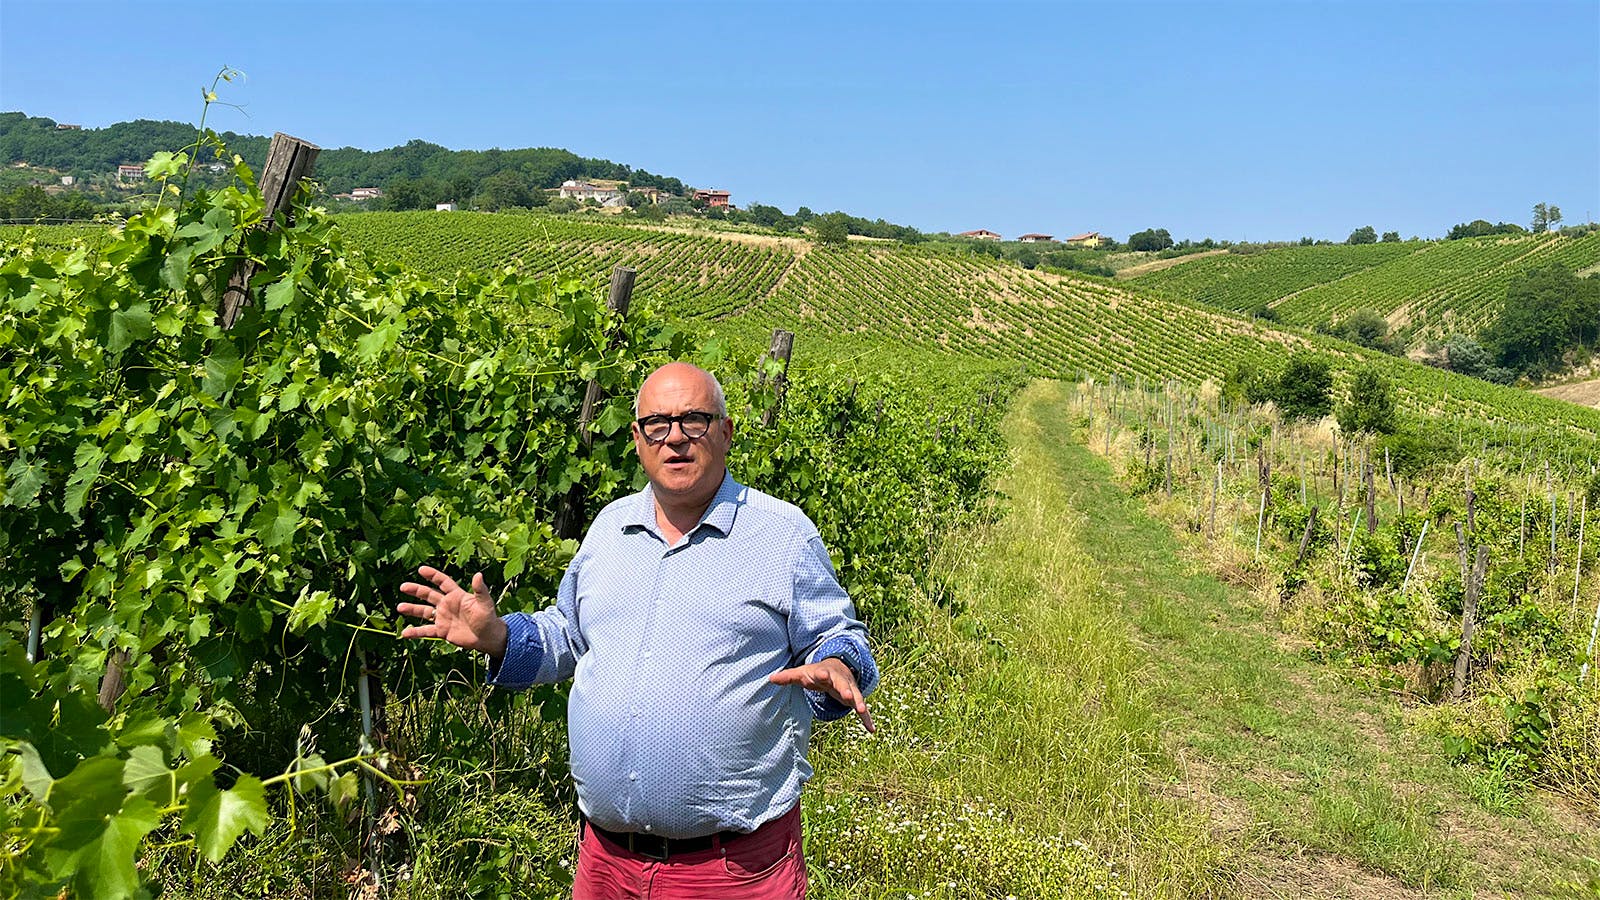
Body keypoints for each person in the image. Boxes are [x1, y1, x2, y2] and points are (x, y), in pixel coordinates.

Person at [397, 361, 878, 899]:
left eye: (694, 420)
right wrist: (501, 638)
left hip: (731, 873)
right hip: (606, 865)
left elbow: (837, 635)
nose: (675, 438)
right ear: (636, 438)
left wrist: (839, 663)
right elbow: (570, 638)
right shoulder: (610, 528)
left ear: (726, 430)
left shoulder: (782, 536)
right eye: (657, 424)